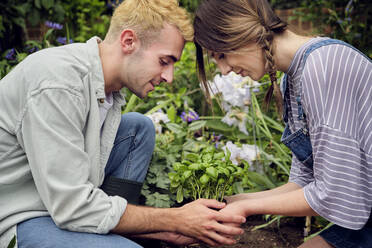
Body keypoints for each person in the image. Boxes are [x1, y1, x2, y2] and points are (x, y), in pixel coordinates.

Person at [0, 0, 247, 247]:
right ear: (129, 41)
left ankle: (118, 232)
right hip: (17, 216)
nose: (169, 77)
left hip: (54, 201)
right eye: (164, 61)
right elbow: (71, 206)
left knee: (138, 129)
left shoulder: (105, 85)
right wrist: (175, 219)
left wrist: (161, 232)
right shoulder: (58, 85)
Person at [193, 0, 372, 247]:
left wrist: (248, 207)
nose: (223, 70)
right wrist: (233, 201)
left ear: (246, 33)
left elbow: (336, 195)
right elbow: (304, 182)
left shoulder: (323, 67)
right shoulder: (292, 79)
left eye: (222, 55)